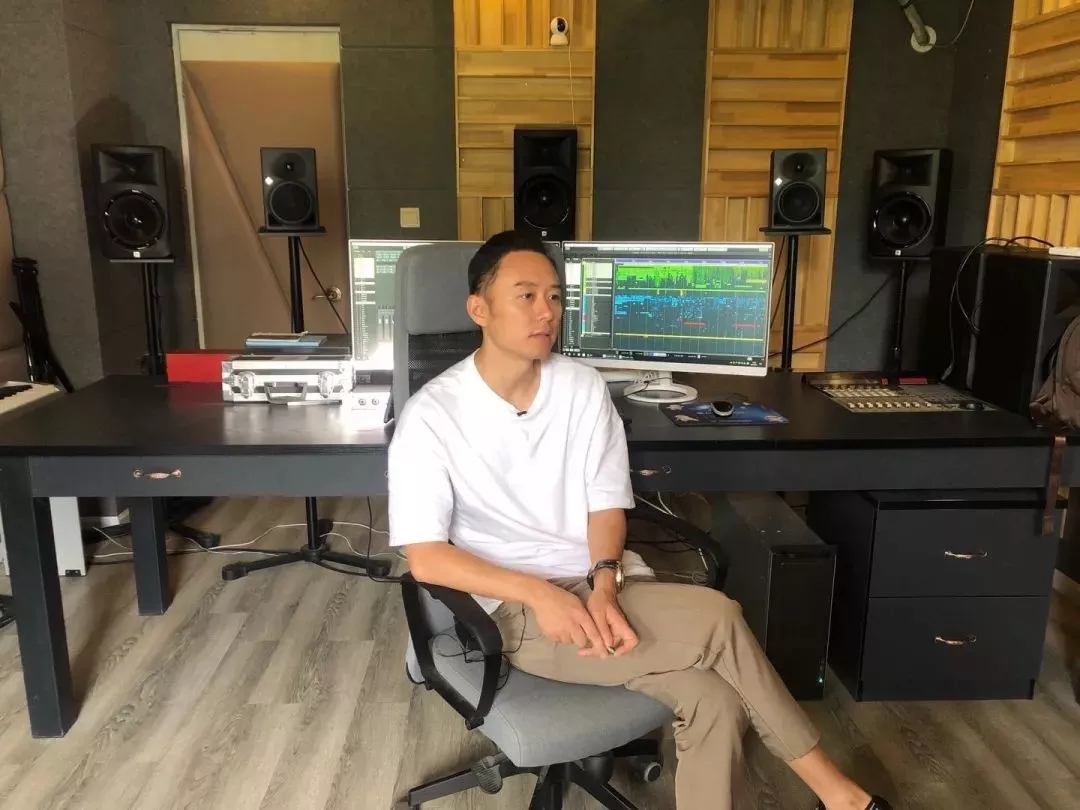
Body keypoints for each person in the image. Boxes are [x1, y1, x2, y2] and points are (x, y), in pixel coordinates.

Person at [387, 229, 892, 810]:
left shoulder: (581, 387)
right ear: (479, 309)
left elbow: (606, 502)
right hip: (520, 613)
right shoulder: (432, 416)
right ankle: (843, 798)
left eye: (555, 297)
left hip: (602, 589)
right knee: (720, 618)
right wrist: (541, 595)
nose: (547, 311)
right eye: (526, 296)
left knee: (714, 701)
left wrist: (605, 583)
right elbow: (426, 558)